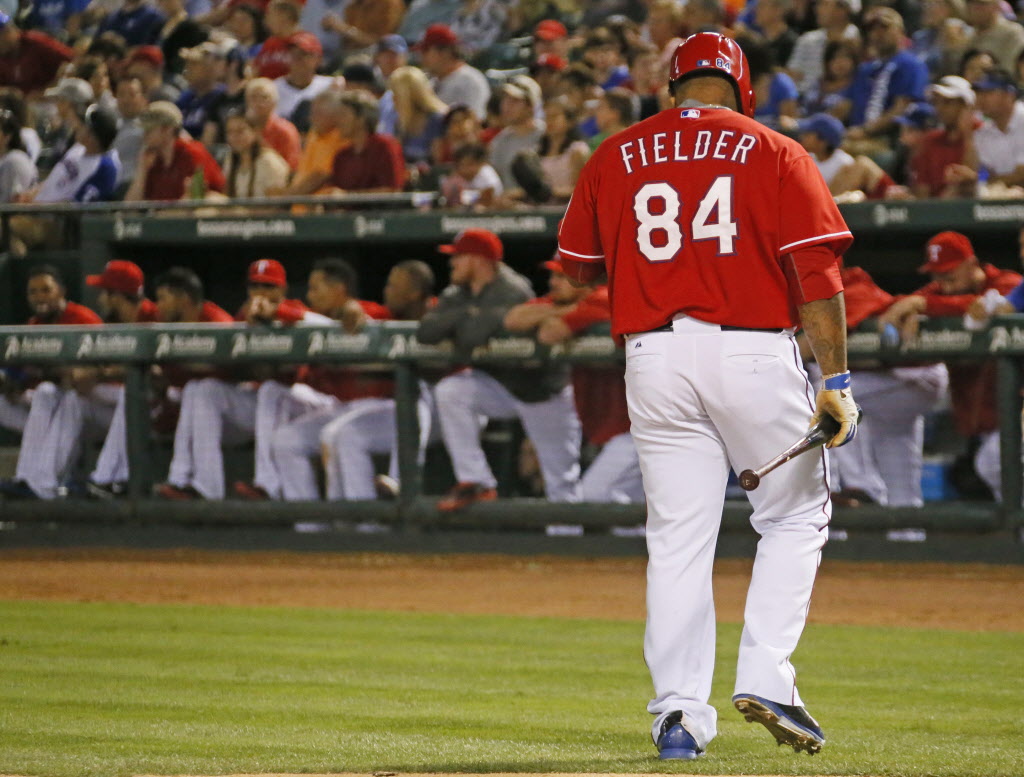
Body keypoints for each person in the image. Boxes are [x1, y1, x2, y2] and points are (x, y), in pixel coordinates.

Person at [558, 33, 857, 759]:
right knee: (794, 513)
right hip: (751, 345)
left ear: (672, 87)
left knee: (678, 537)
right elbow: (816, 276)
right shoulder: (778, 150)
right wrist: (836, 378)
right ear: (742, 87)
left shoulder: (615, 151)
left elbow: (574, 273)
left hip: (653, 355)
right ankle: (767, 676)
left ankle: (679, 718)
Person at [418, 228, 583, 510]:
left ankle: (569, 548)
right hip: (499, 385)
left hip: (539, 390)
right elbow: (427, 331)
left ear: (479, 260)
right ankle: (475, 481)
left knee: (560, 482)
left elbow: (471, 337)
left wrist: (463, 323)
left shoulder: (512, 290)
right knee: (452, 390)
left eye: (459, 257)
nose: (452, 263)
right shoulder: (459, 293)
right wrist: (467, 316)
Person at [878, 231, 1022, 501]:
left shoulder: (1006, 283)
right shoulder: (941, 291)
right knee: (998, 476)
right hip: (987, 422)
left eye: (950, 273)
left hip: (1016, 413)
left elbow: (991, 303)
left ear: (972, 263)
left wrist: (925, 305)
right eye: (936, 276)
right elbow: (898, 305)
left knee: (992, 464)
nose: (943, 283)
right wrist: (912, 308)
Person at [504, 256, 643, 503]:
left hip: (643, 422)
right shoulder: (569, 302)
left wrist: (555, 315)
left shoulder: (606, 298)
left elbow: (549, 333)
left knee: (595, 496)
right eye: (553, 275)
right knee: (627, 505)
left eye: (561, 276)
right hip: (620, 423)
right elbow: (514, 319)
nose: (553, 282)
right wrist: (565, 310)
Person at [319, 260, 437, 502]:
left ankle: (401, 481)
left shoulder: (440, 313)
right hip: (410, 415)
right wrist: (349, 308)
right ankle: (363, 527)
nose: (386, 290)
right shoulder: (390, 314)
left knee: (421, 388)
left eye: (393, 286)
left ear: (414, 293)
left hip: (449, 413)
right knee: (345, 435)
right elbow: (359, 311)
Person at [0, 265, 107, 501]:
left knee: (49, 393)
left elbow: (101, 368)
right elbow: (17, 372)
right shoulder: (33, 325)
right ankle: (28, 478)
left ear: (61, 291)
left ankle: (40, 482)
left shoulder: (83, 319)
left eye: (46, 290)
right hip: (52, 408)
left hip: (91, 407)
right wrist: (10, 383)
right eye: (33, 292)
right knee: (38, 394)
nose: (39, 297)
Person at [124, 100, 225, 201]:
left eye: (149, 130)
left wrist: (161, 215)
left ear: (168, 129)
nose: (145, 135)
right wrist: (142, 170)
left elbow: (195, 200)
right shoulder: (152, 160)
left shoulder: (192, 153)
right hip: (163, 215)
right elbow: (130, 207)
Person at [909, 75, 978, 198]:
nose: (939, 108)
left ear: (965, 106)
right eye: (936, 102)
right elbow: (922, 190)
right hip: (936, 210)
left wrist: (968, 135)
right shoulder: (930, 140)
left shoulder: (983, 133)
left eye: (947, 102)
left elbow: (972, 178)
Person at [798, 112, 894, 200]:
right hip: (811, 205)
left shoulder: (843, 161)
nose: (803, 138)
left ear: (823, 141)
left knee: (862, 163)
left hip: (836, 207)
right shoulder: (806, 159)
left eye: (808, 135)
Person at [326, 90, 406, 193]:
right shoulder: (341, 156)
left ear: (361, 118)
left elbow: (392, 190)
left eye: (343, 115)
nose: (338, 121)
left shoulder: (385, 146)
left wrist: (348, 197)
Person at [415, 23, 490, 119]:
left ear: (444, 53)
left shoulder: (470, 81)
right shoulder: (432, 81)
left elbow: (472, 123)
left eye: (425, 51)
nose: (422, 58)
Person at [0, 10, 74, 97]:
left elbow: (72, 62)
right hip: (14, 106)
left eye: (4, 33)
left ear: (11, 30)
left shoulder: (36, 43)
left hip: (50, 102)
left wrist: (49, 90)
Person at [971, 68, 1024, 188]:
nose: (981, 99)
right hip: (1004, 202)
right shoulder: (983, 132)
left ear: (1009, 95)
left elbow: (1022, 175)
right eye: (979, 93)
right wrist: (979, 178)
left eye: (989, 92)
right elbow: (983, 172)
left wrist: (983, 181)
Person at [964, 0, 1024, 73]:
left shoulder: (1012, 32)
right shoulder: (968, 34)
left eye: (982, 4)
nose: (975, 9)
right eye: (971, 3)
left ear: (996, 6)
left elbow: (1013, 69)